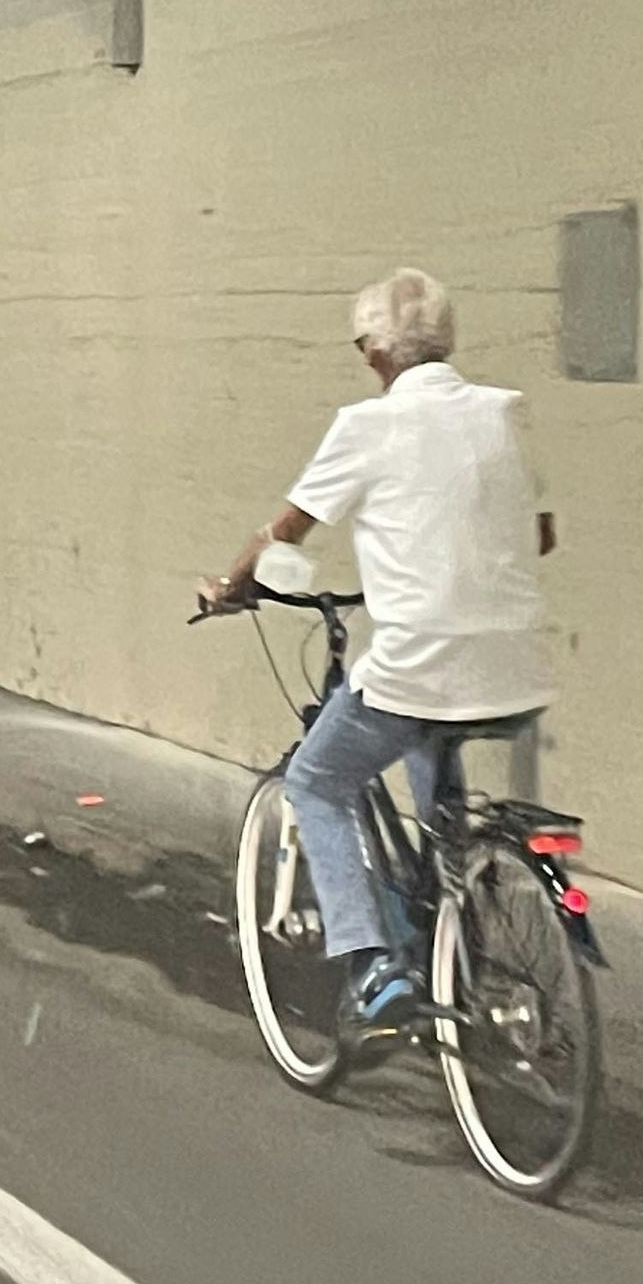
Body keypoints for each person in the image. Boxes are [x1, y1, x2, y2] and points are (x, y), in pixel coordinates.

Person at [203, 269, 558, 1036]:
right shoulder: (506, 414)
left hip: (417, 666)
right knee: (437, 745)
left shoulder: (367, 427)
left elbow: (283, 534)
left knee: (318, 780)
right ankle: (449, 912)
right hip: (518, 672)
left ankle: (373, 965)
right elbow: (541, 533)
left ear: (373, 353)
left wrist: (228, 587)